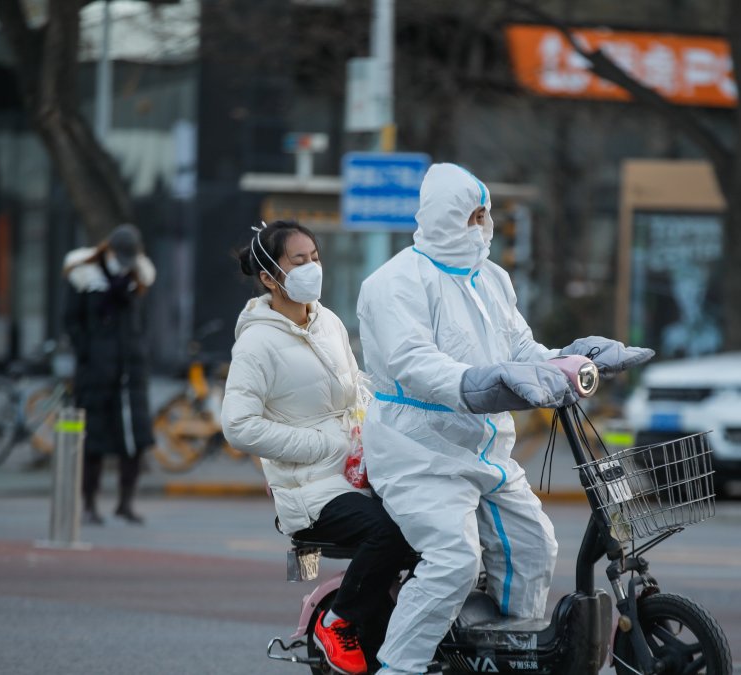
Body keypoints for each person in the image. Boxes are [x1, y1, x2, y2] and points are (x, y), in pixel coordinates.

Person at [357, 163, 654, 674]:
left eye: (485, 215)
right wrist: (483, 382)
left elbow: (520, 347)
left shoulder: (490, 278)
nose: (482, 227)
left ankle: (504, 655)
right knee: (454, 563)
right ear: (444, 217)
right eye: (471, 216)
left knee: (536, 545)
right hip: (418, 454)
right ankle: (398, 667)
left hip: (487, 450)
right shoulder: (395, 282)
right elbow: (416, 364)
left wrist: (570, 357)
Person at [222, 220, 410, 675]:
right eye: (299, 260)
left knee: (432, 518)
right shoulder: (257, 343)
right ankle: (338, 622)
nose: (312, 268)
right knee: (389, 533)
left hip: (353, 470)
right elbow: (238, 426)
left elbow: (354, 393)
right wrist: (320, 444)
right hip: (309, 488)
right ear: (269, 277)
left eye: (315, 257)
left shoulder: (326, 321)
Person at [63, 224, 157, 525]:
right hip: (96, 372)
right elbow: (71, 320)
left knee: (135, 440)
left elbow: (140, 322)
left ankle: (125, 503)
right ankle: (89, 503)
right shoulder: (84, 276)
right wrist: (87, 353)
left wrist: (139, 352)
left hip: (131, 371)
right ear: (110, 250)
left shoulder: (137, 278)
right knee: (94, 442)